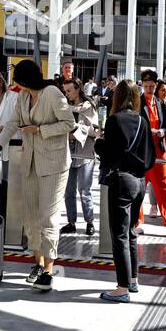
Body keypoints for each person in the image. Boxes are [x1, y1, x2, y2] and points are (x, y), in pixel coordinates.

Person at [0, 59, 74, 291]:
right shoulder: (23, 96)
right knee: (29, 216)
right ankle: (37, 263)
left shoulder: (51, 93)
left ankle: (49, 270)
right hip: (30, 163)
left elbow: (69, 123)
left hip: (54, 163)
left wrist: (40, 130)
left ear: (26, 78)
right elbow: (13, 123)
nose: (16, 85)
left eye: (18, 80)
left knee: (47, 217)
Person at [94, 79, 155, 302]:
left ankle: (122, 288)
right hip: (139, 181)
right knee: (130, 233)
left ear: (117, 96)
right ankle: (133, 279)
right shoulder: (142, 120)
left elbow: (108, 153)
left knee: (118, 235)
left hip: (121, 180)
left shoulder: (114, 120)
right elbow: (150, 157)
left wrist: (98, 145)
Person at [138, 70, 166, 237]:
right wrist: (149, 132)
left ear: (156, 85)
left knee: (165, 188)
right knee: (138, 189)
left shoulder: (161, 103)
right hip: (141, 152)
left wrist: (162, 132)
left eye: (152, 86)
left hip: (159, 151)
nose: (149, 89)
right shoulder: (137, 102)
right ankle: (136, 223)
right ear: (142, 84)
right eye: (146, 86)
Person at [61, 77, 99, 236]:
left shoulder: (89, 106)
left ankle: (90, 222)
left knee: (84, 189)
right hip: (67, 151)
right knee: (68, 190)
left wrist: (77, 128)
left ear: (78, 89)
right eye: (65, 91)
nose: (67, 93)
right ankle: (71, 222)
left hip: (84, 151)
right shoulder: (63, 106)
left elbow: (95, 131)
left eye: (69, 90)